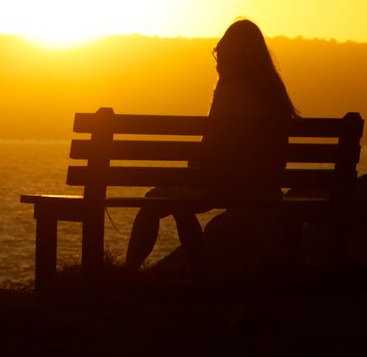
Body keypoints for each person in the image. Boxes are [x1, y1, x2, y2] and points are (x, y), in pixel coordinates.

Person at [123, 18, 298, 277]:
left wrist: (195, 166)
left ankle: (129, 274)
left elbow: (214, 146)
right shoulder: (273, 91)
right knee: (180, 201)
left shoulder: (230, 90)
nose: (218, 62)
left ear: (232, 56)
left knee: (154, 201)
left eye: (221, 55)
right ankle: (200, 272)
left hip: (226, 182)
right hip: (263, 186)